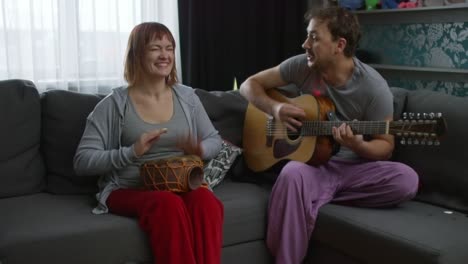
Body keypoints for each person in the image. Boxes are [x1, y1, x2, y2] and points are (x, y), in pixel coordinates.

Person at [239, 7, 419, 264]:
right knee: (292, 174)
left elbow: (385, 147)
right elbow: (249, 85)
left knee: (407, 180)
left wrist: (358, 145)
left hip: (353, 170)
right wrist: (275, 108)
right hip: (313, 167)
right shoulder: (302, 66)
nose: (305, 44)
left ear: (339, 44)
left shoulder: (374, 87)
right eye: (307, 36)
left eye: (314, 37)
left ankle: (313, 197)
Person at [73, 22, 224, 264]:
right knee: (167, 204)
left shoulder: (187, 98)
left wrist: (200, 149)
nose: (165, 55)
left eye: (169, 48)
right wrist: (132, 151)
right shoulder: (114, 104)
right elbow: (82, 161)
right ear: (137, 54)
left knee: (206, 202)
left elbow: (214, 140)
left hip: (180, 184)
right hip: (127, 189)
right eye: (155, 48)